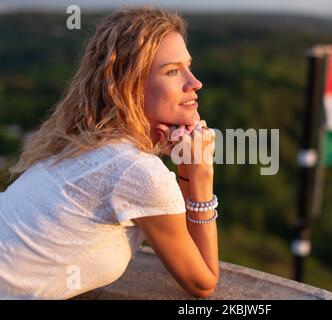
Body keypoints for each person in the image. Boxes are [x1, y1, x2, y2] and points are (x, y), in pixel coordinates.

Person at [0, 7, 219, 299]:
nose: (194, 83)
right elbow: (203, 283)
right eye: (173, 71)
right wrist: (200, 175)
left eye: (188, 67)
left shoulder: (79, 144)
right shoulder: (137, 172)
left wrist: (183, 173)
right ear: (131, 86)